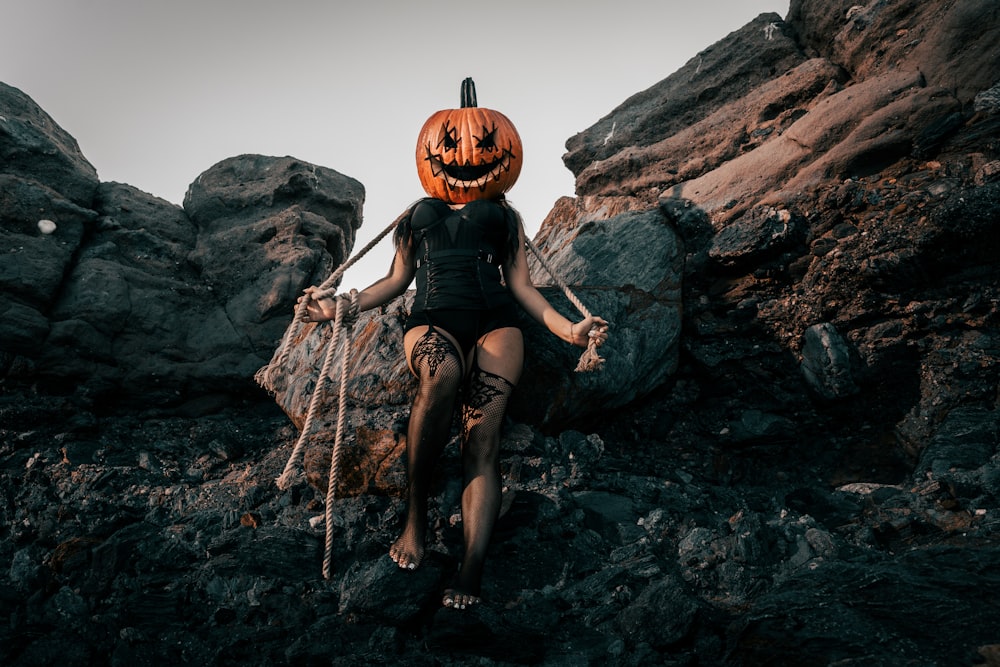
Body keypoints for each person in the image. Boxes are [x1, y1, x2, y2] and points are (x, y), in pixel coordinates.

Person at [301, 194, 608, 610]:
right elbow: (396, 280)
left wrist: (570, 331)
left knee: (482, 439)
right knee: (441, 373)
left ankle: (471, 568)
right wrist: (338, 307)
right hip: (432, 318)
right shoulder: (418, 214)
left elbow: (521, 286)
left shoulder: (503, 215)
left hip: (495, 324)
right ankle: (415, 520)